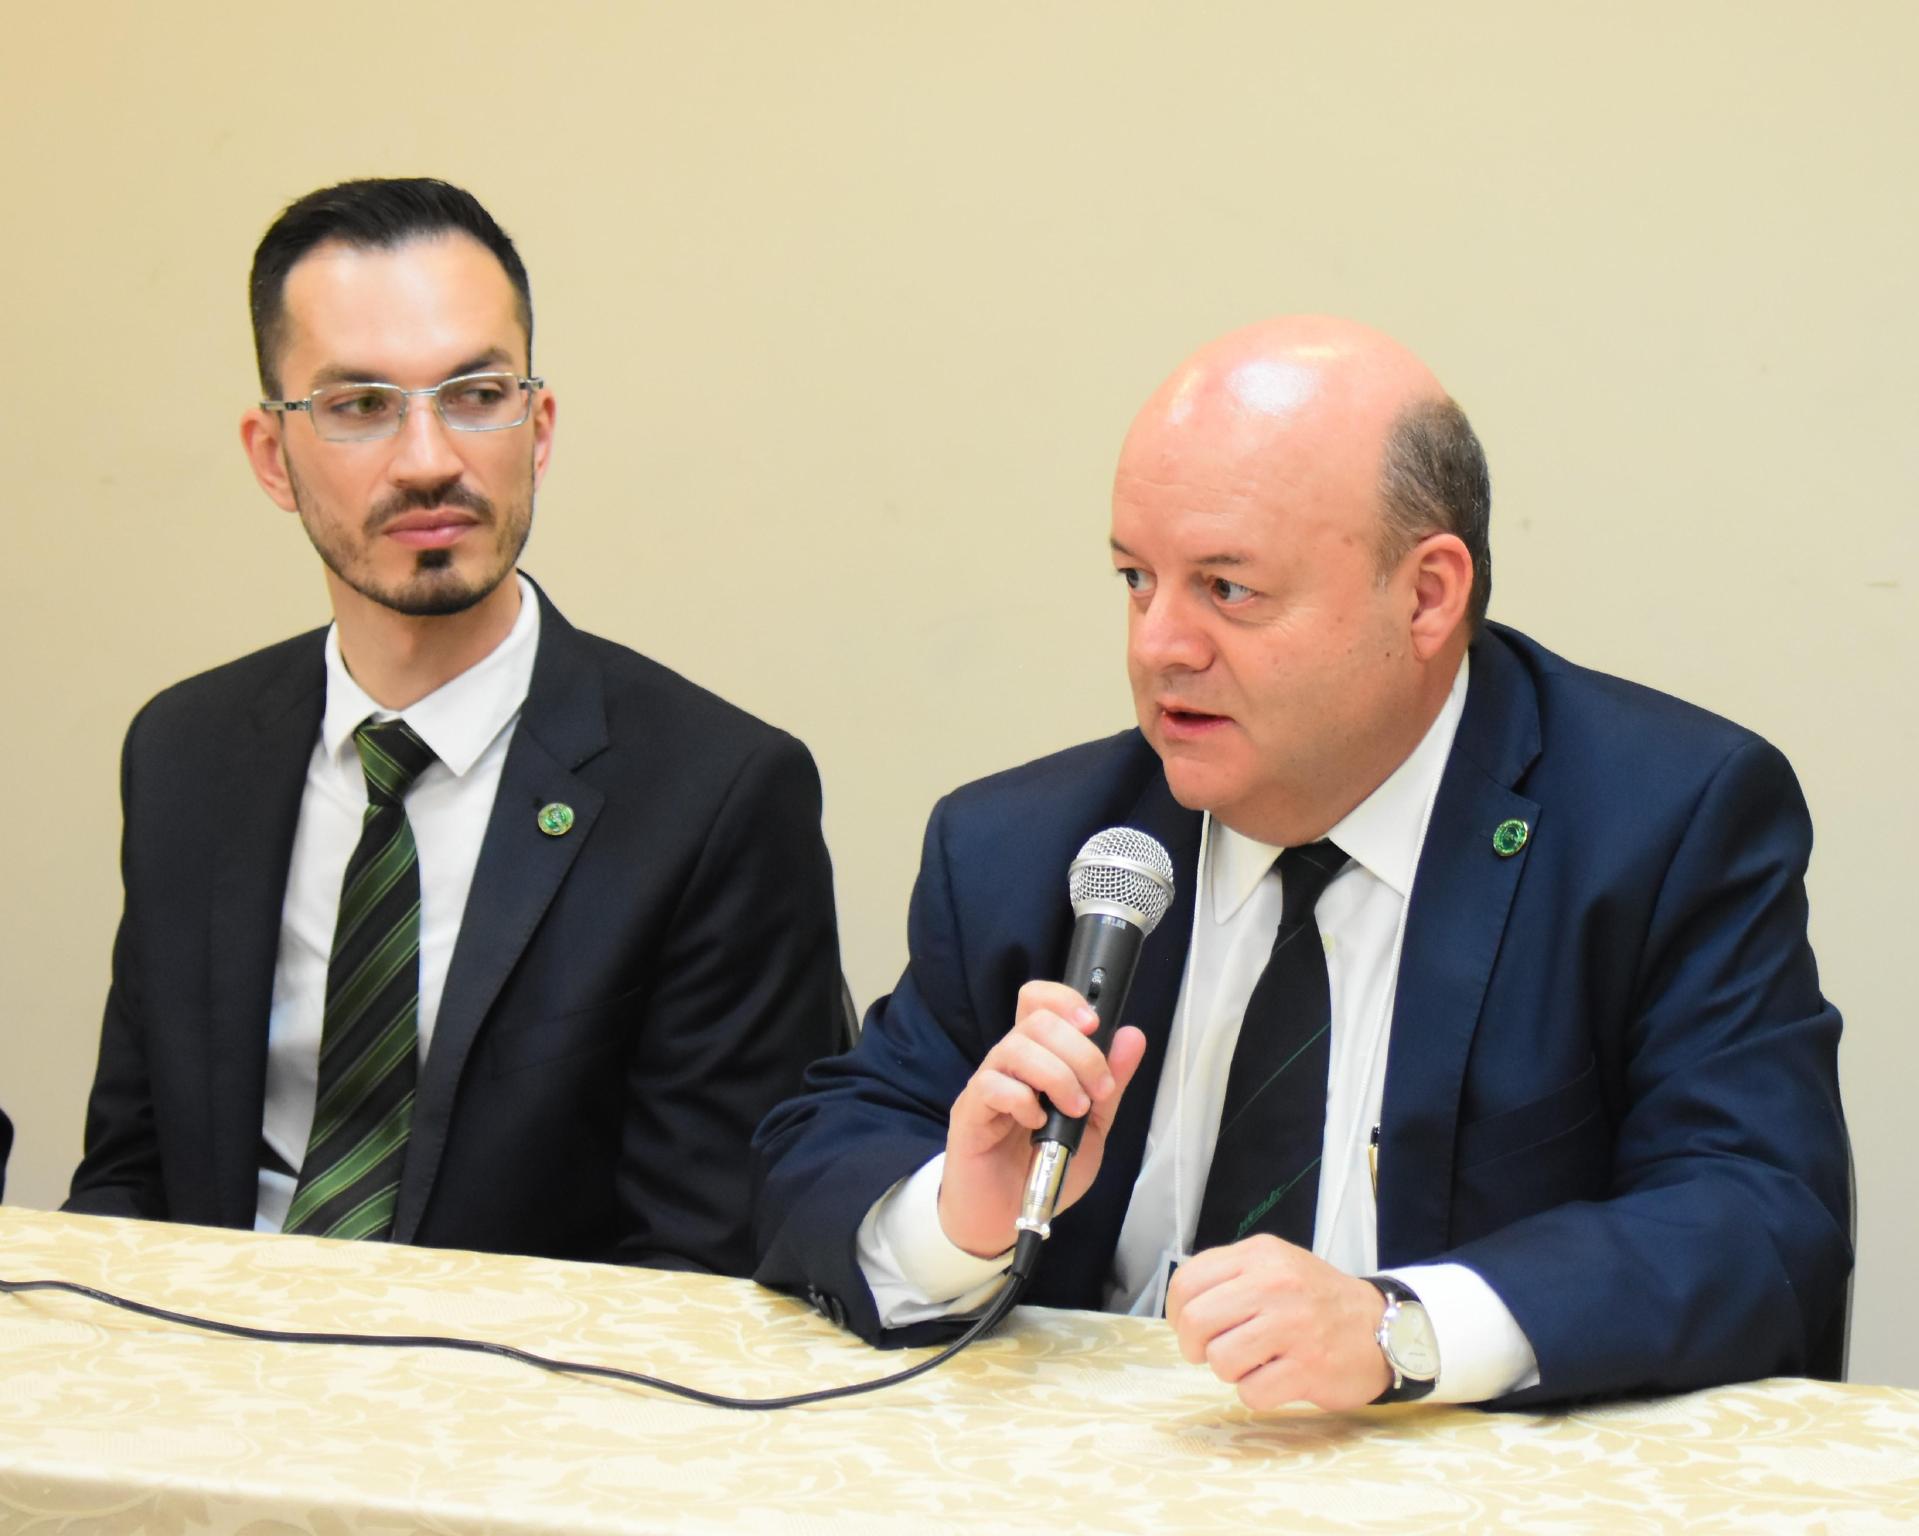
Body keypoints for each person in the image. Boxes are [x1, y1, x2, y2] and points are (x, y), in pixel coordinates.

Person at [754, 315, 1850, 1408]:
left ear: (1426, 595)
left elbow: (1756, 1220)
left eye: (1226, 589)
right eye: (1136, 578)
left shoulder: (1658, 826)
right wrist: (963, 1215)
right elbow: (820, 1153)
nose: (1157, 644)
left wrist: (1400, 1329)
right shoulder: (1034, 844)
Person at [67, 178, 842, 1273]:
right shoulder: (185, 753)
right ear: (271, 454)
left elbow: (702, 1267)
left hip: (526, 1375)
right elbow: (131, 1175)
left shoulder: (715, 795)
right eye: (359, 405)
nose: (429, 458)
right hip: (209, 1359)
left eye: (477, 394)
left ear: (540, 428)